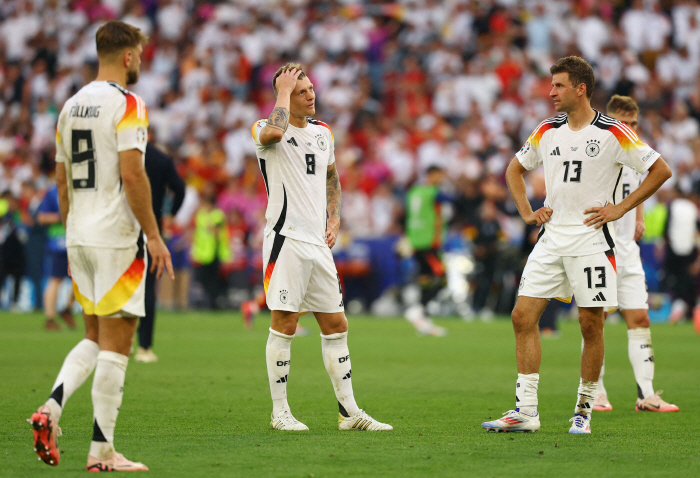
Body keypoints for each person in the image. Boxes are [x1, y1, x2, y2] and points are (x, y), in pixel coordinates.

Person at [481, 56, 672, 435]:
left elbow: (660, 169)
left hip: (591, 241)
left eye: (558, 86)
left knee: (591, 324)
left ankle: (583, 409)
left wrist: (620, 208)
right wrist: (526, 211)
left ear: (580, 89)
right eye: (551, 85)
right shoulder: (546, 129)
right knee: (522, 317)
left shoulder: (614, 131)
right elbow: (514, 169)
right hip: (551, 238)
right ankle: (526, 411)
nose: (550, 92)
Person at [28, 20, 173, 471]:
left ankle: (51, 408)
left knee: (93, 335)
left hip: (79, 235)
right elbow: (133, 174)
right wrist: (152, 233)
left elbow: (60, 177)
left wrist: (74, 231)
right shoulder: (128, 104)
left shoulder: (69, 106)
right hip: (114, 237)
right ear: (128, 56)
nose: (141, 63)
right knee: (118, 343)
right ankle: (102, 451)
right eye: (141, 55)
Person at [251, 63, 391, 431]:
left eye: (311, 88)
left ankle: (349, 412)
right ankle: (279, 412)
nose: (311, 95)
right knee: (285, 321)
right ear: (284, 95)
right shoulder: (265, 128)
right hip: (286, 239)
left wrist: (334, 216)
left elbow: (331, 176)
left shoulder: (323, 133)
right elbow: (272, 136)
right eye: (301, 91)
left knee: (336, 323)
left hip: (317, 242)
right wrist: (282, 91)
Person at [591, 95, 678, 413]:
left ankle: (647, 395)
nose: (628, 129)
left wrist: (638, 216)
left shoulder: (638, 153)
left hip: (628, 251)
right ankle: (595, 393)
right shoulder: (599, 151)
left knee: (640, 318)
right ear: (609, 122)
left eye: (633, 123)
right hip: (600, 251)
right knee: (595, 321)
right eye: (622, 123)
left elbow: (639, 185)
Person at [135, 141, 185, 363]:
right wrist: (169, 215)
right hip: (150, 230)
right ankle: (144, 347)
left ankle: (111, 341)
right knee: (147, 287)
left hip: (119, 227)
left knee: (116, 283)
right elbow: (180, 189)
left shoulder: (120, 152)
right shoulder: (161, 159)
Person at [404, 165, 449, 336]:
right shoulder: (432, 192)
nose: (441, 179)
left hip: (416, 240)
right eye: (439, 175)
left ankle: (423, 319)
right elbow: (451, 199)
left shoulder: (414, 191)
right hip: (428, 242)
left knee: (425, 278)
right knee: (442, 278)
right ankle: (418, 310)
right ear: (431, 175)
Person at [36, 184, 76, 331]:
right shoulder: (54, 191)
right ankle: (51, 317)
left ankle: (64, 310)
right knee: (56, 279)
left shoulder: (54, 191)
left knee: (80, 279)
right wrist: (62, 216)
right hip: (62, 242)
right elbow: (41, 218)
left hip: (74, 240)